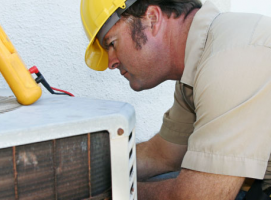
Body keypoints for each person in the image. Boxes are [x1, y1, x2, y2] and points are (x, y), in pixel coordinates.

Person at [81, 0, 271, 199]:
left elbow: (200, 196)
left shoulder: (232, 58)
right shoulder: (193, 72)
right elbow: (162, 154)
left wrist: (111, 194)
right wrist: (89, 169)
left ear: (152, 19)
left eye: (112, 43)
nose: (111, 62)